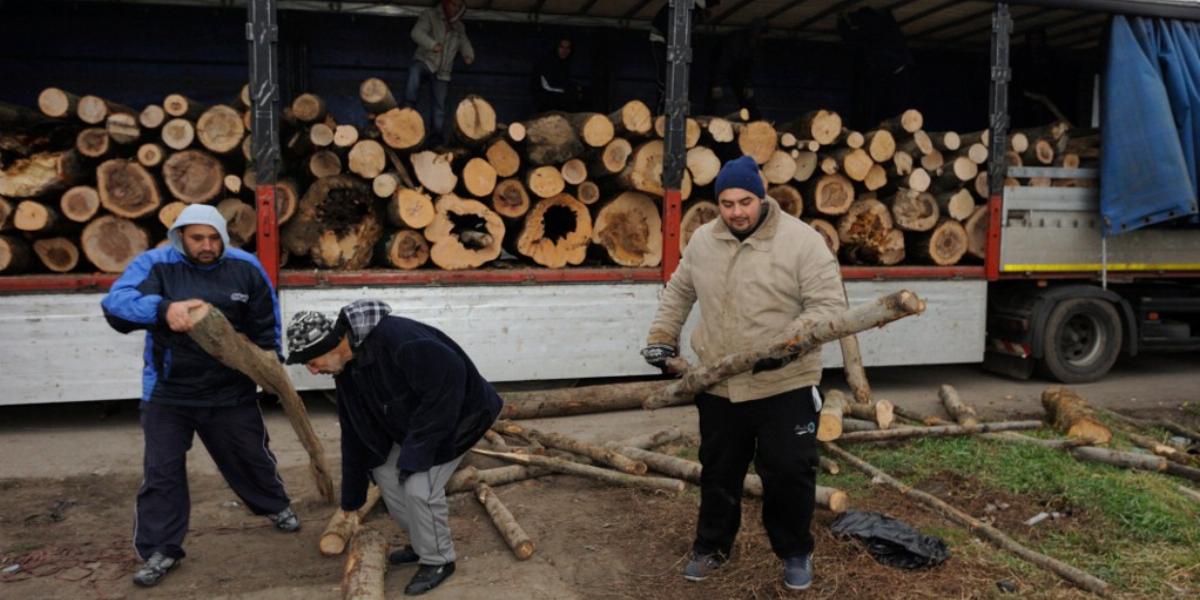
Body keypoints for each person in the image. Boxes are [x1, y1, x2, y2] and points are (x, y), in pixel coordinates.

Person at [641, 156, 847, 590]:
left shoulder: (802, 242)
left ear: (762, 195)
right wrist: (662, 335)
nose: (736, 212)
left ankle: (794, 552)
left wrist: (786, 346)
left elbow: (829, 307)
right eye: (727, 203)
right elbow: (680, 289)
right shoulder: (703, 239)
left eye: (745, 201)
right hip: (719, 383)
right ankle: (711, 547)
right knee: (719, 470)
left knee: (789, 471)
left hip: (785, 382)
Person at [100, 204, 298, 588]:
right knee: (162, 472)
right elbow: (116, 304)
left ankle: (274, 505)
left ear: (223, 236)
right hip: (169, 393)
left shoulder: (245, 267)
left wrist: (269, 366)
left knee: (251, 455)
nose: (207, 246)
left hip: (230, 390)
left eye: (214, 238)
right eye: (197, 238)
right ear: (179, 237)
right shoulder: (156, 265)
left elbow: (265, 323)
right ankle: (162, 549)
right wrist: (162, 308)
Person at [285, 300, 502, 596]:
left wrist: (416, 455)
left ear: (331, 344)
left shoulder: (400, 341)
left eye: (312, 362)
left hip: (462, 415)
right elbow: (354, 433)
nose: (312, 371)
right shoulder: (346, 371)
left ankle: (439, 560)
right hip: (414, 423)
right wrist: (351, 499)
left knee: (418, 487)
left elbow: (446, 390)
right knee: (385, 474)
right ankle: (422, 542)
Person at [407, 0, 475, 145]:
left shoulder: (458, 27)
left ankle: (436, 138)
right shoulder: (430, 15)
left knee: (439, 107)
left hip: (443, 71)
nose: (455, 9)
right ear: (445, 3)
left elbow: (465, 43)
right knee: (415, 72)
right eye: (453, 4)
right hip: (426, 61)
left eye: (459, 6)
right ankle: (407, 109)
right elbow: (416, 33)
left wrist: (468, 55)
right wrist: (432, 44)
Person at [703, 19, 765, 120]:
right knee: (714, 95)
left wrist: (748, 85)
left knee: (747, 97)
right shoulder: (736, 40)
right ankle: (707, 119)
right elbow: (722, 62)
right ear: (755, 33)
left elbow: (750, 66)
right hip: (725, 67)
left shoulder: (755, 45)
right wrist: (716, 83)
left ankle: (756, 121)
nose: (762, 38)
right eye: (761, 34)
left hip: (737, 71)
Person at [530, 37, 579, 113]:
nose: (564, 51)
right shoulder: (546, 63)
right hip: (547, 105)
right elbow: (547, 86)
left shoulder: (567, 65)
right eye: (562, 47)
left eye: (567, 48)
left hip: (562, 107)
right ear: (556, 48)